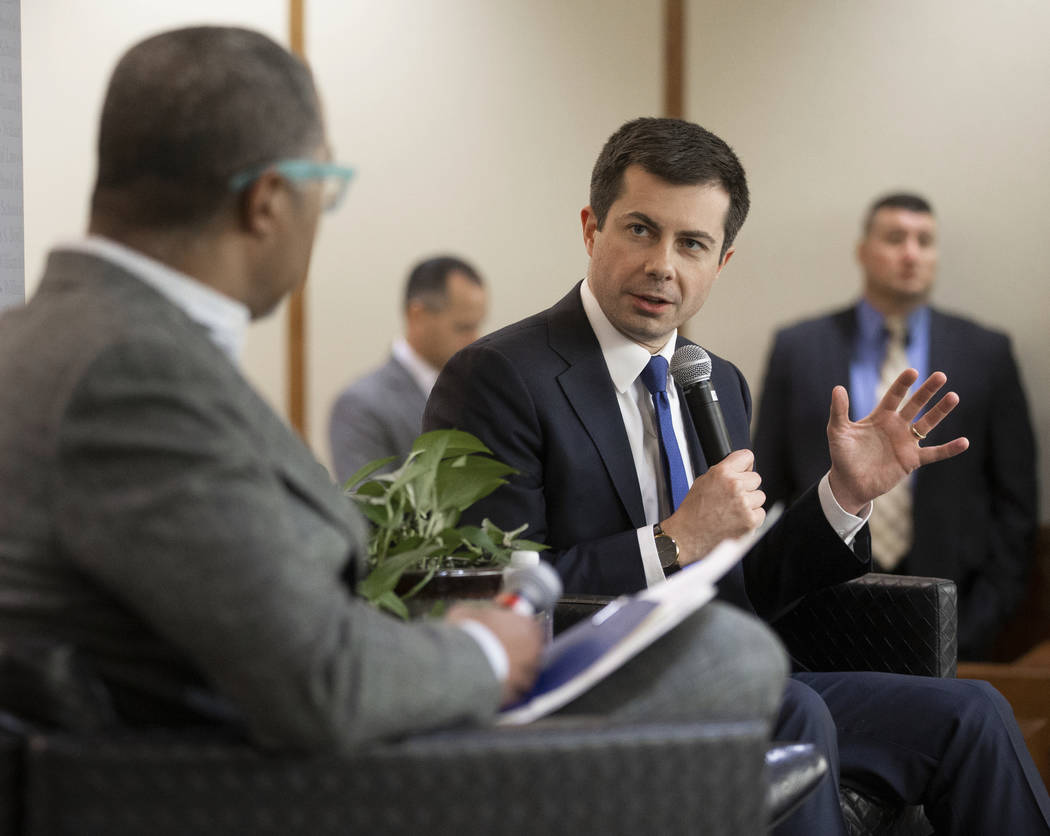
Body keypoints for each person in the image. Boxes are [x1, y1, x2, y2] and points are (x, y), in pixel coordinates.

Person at [0, 28, 789, 758]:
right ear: (269, 200)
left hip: (249, 745)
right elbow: (323, 679)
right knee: (737, 661)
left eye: (694, 243)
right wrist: (484, 650)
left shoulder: (48, 339)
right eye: (326, 187)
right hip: (295, 781)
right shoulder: (134, 376)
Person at [424, 118, 1050, 834]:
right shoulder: (500, 378)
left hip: (735, 673)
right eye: (639, 230)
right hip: (591, 696)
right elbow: (495, 596)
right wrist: (670, 542)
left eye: (692, 243)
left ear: (720, 262)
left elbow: (744, 583)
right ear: (591, 228)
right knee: (793, 709)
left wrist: (843, 497)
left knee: (976, 714)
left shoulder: (714, 380)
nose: (664, 264)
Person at [754, 193, 1038, 660]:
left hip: (954, 609)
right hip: (817, 609)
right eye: (894, 238)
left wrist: (974, 627)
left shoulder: (987, 351)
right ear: (863, 251)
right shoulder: (798, 348)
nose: (911, 253)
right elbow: (769, 487)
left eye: (924, 241)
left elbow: (1015, 503)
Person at [328, 255, 487, 484]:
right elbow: (371, 510)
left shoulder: (480, 392)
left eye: (478, 325)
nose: (475, 339)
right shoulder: (360, 404)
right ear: (418, 316)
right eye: (463, 327)